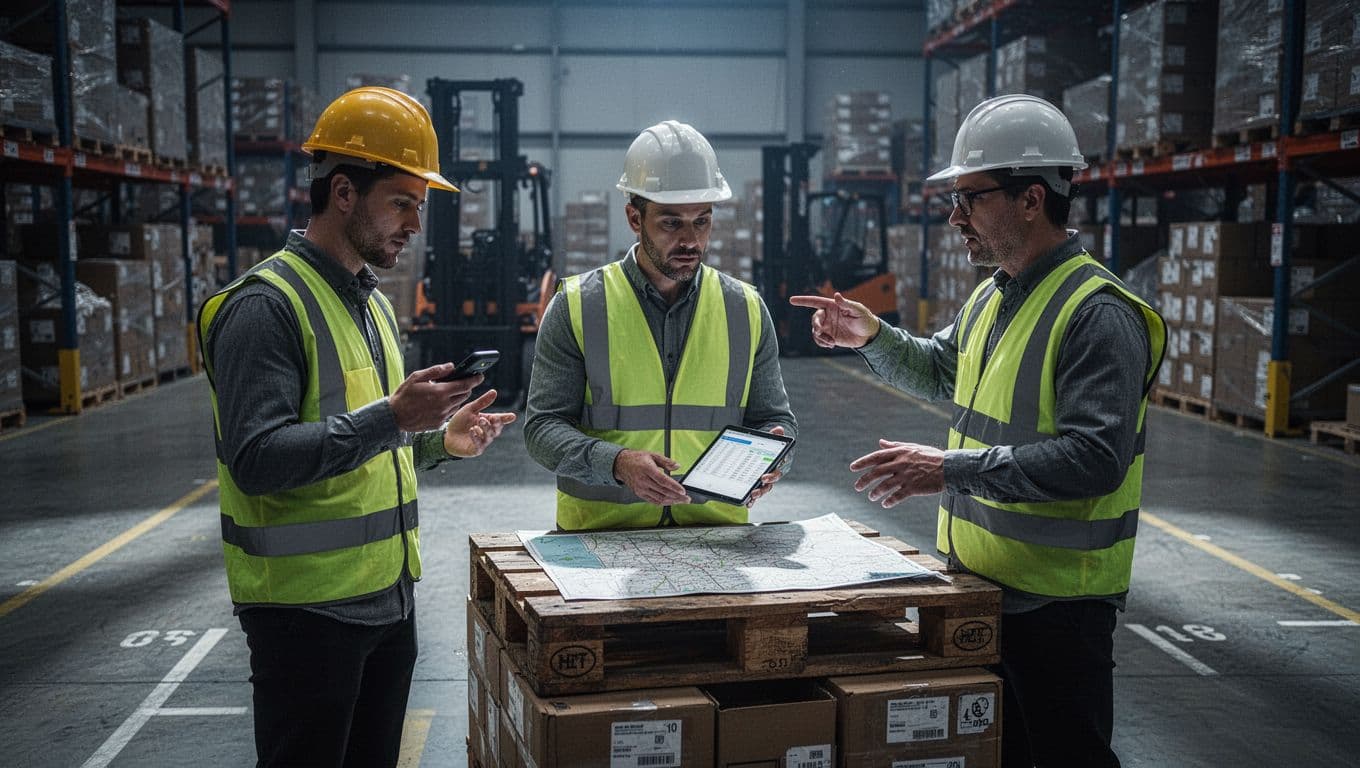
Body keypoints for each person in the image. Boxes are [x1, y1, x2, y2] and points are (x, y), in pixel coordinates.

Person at [791, 94, 1166, 768]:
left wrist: (950, 468)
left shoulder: (1098, 314)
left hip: (1058, 604)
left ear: (1031, 199)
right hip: (983, 589)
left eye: (972, 197)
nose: (955, 217)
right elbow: (942, 369)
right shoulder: (996, 292)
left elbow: (1094, 460)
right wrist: (869, 334)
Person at [197, 86, 516, 767]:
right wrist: (393, 417)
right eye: (402, 202)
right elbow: (256, 458)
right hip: (306, 617)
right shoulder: (265, 307)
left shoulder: (368, 304)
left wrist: (435, 440)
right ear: (343, 192)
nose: (414, 224)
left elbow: (369, 441)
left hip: (385, 602)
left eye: (420, 208)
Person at [524, 120, 796, 530]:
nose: (691, 241)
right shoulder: (578, 306)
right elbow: (542, 429)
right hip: (600, 540)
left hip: (715, 537)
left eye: (702, 221)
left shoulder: (745, 309)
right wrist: (616, 464)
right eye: (671, 223)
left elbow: (776, 420)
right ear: (635, 218)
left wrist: (773, 458)